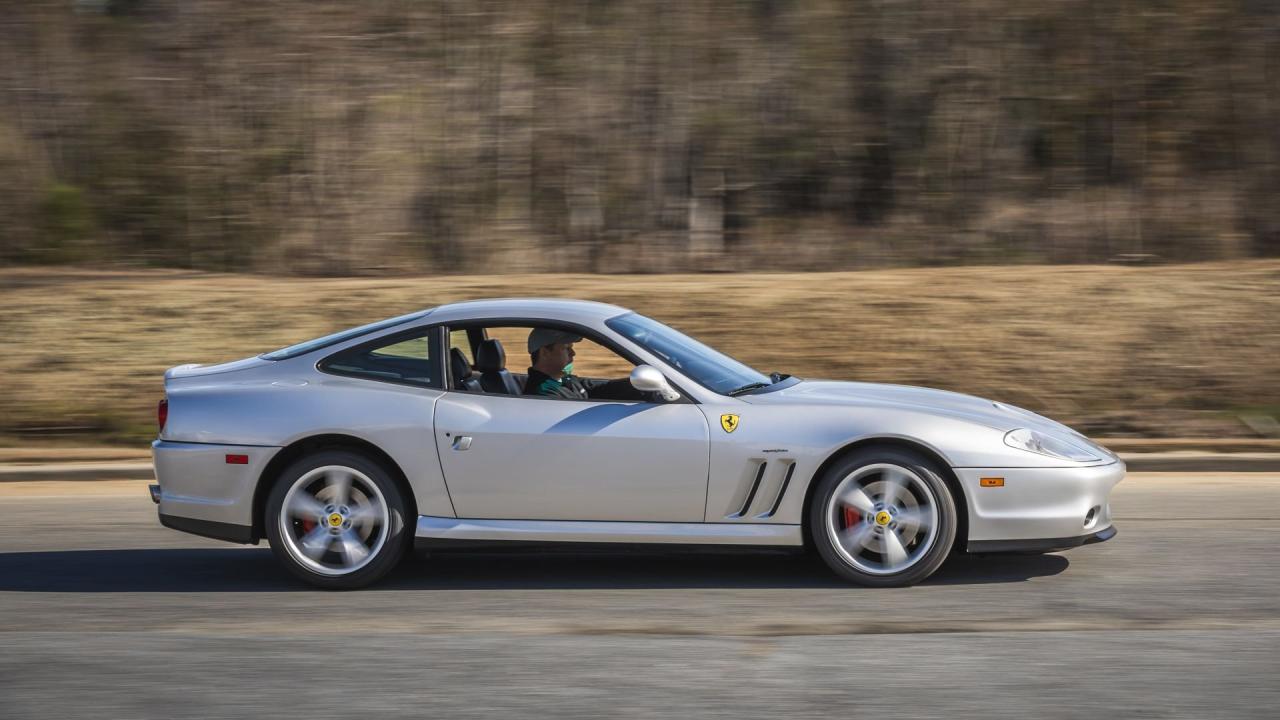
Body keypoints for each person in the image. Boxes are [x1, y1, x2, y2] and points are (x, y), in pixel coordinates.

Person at [523, 327, 646, 400]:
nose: (573, 353)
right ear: (545, 352)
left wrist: (639, 382)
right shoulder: (544, 394)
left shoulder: (563, 380)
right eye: (566, 348)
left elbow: (602, 389)